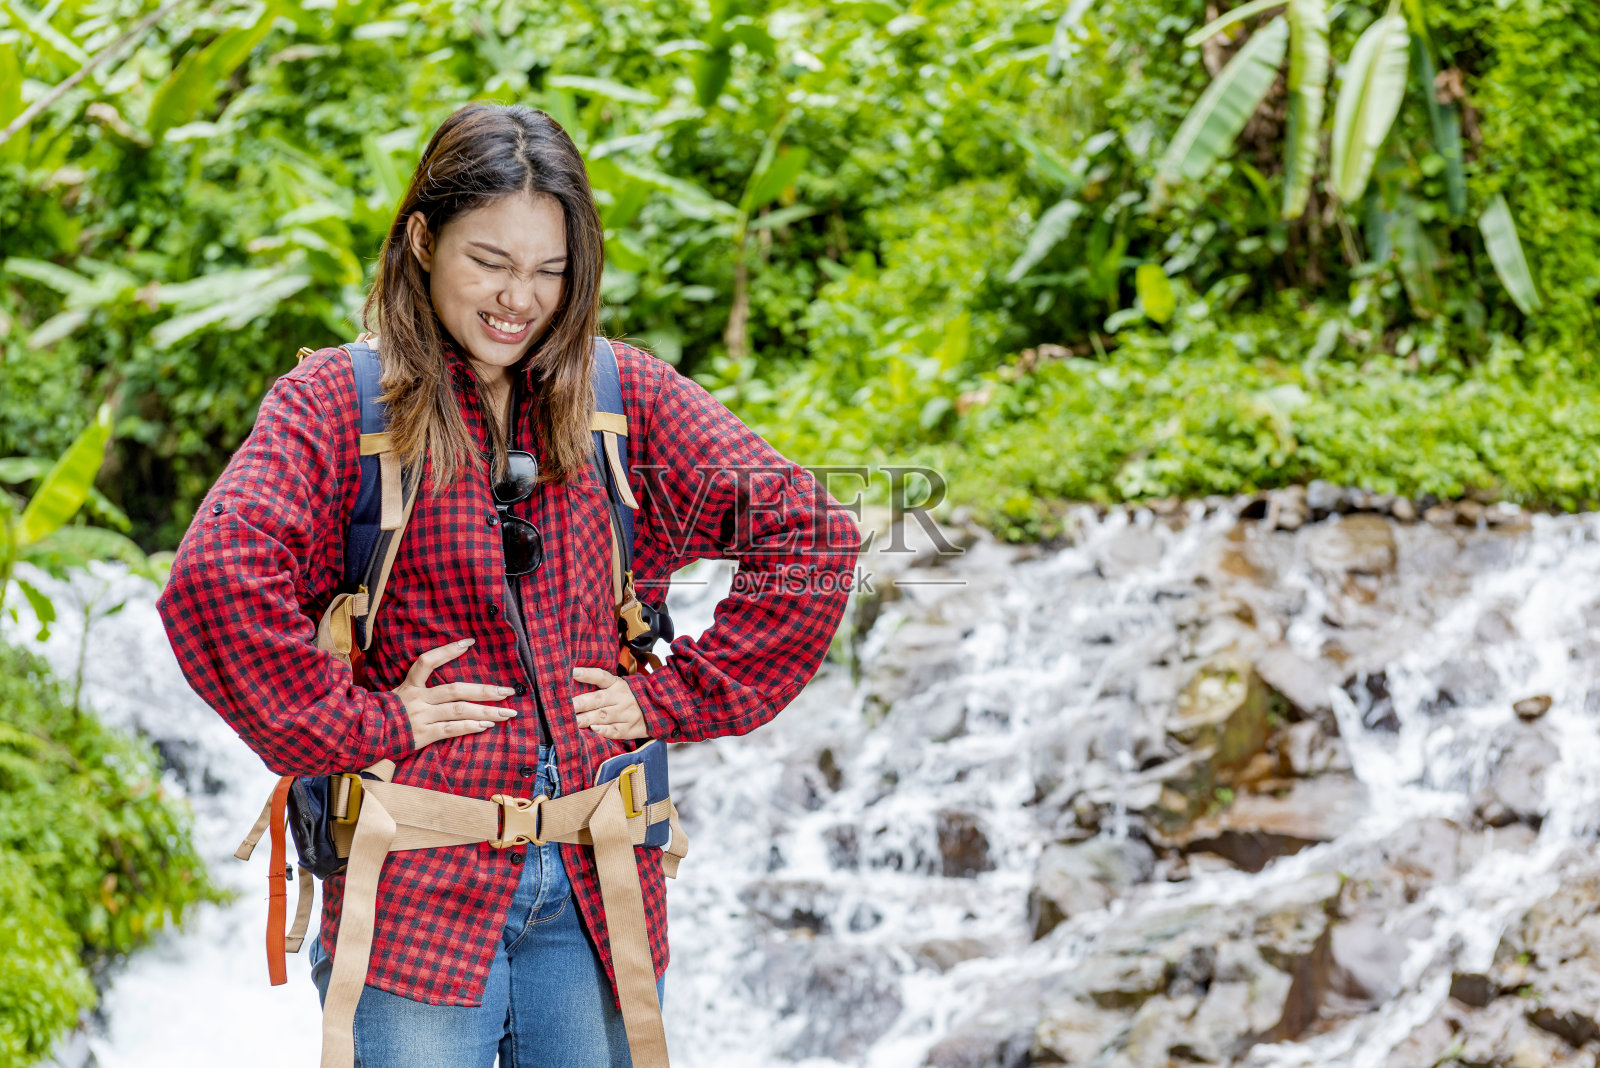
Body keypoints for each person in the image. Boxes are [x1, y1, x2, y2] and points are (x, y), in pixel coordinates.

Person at [156, 102, 860, 1067]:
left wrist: (672, 696)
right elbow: (215, 582)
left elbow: (812, 535)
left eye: (550, 271)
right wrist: (369, 724)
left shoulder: (626, 399)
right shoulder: (336, 403)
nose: (517, 299)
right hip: (413, 890)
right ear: (422, 239)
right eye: (489, 260)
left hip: (596, 886)